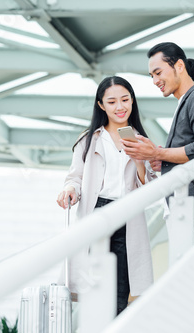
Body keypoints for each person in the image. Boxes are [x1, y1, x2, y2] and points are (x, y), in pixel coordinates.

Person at [56, 76, 156, 315]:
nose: (120, 107)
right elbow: (75, 177)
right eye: (112, 102)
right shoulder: (89, 139)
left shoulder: (142, 142)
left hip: (127, 214)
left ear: (133, 101)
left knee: (121, 287)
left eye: (125, 99)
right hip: (96, 211)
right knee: (93, 283)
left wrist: (140, 159)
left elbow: (150, 188)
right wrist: (70, 189)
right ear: (101, 105)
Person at [122, 42, 194, 239]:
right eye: (152, 76)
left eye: (158, 72)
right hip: (190, 210)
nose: (155, 80)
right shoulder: (186, 101)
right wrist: (165, 159)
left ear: (179, 66)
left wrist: (157, 153)